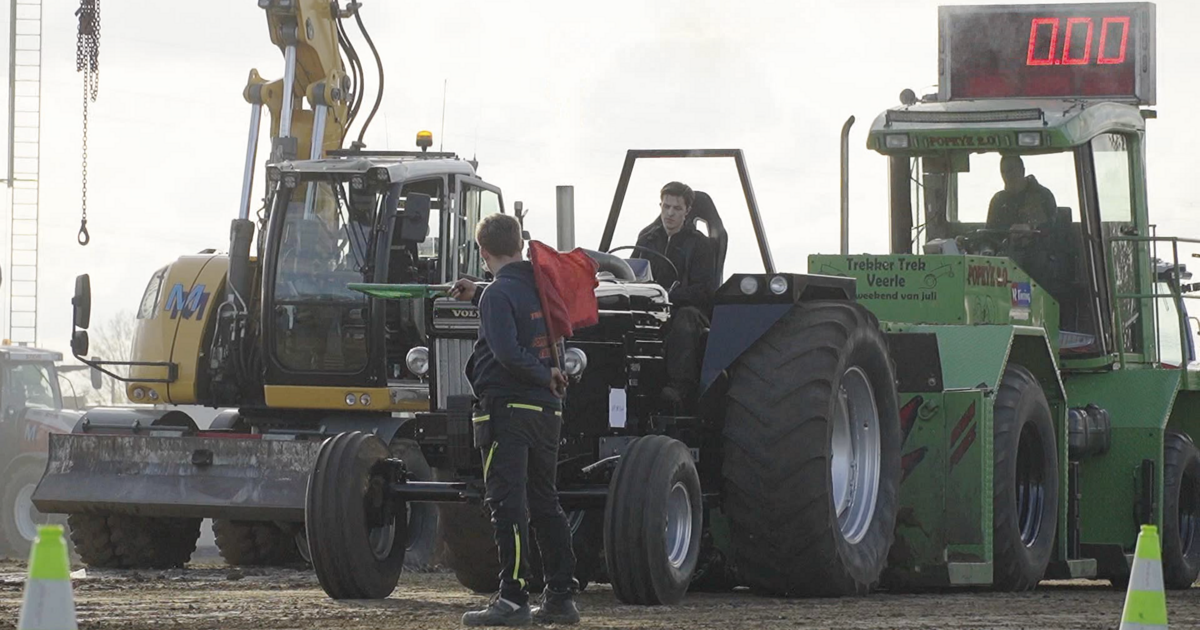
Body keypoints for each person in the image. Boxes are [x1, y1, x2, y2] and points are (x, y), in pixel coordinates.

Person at [450, 213, 579, 627]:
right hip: (547, 411)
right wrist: (480, 292)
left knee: (507, 504)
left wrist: (542, 374)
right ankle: (561, 596)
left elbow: (505, 352)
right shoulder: (541, 285)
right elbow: (518, 306)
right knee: (545, 502)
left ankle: (512, 598)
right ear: (521, 245)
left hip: (507, 410)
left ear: (482, 251)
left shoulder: (496, 296)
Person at [634, 181, 717, 405]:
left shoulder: (700, 245)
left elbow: (705, 290)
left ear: (687, 211)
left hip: (685, 309)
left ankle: (678, 388)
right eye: (666, 207)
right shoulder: (647, 240)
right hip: (649, 307)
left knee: (685, 318)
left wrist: (669, 296)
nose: (669, 213)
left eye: (676, 208)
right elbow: (632, 273)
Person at [986, 155, 1058, 231]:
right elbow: (990, 232)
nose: (1007, 176)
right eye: (1003, 171)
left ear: (1022, 171)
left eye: (1011, 170)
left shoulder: (1043, 196)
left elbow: (1052, 229)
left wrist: (1030, 228)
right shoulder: (998, 200)